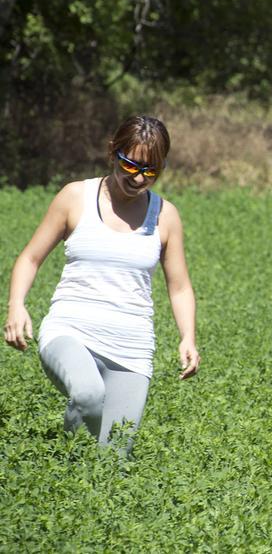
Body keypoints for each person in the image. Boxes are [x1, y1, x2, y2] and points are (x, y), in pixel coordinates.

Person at [4, 115, 200, 453]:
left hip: (132, 350)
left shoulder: (165, 216)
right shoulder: (75, 197)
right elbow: (30, 258)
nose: (138, 177)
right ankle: (62, 460)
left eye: (150, 171)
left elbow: (179, 286)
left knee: (112, 461)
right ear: (113, 152)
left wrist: (188, 337)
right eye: (131, 165)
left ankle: (68, 469)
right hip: (70, 331)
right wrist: (16, 305)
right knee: (87, 393)